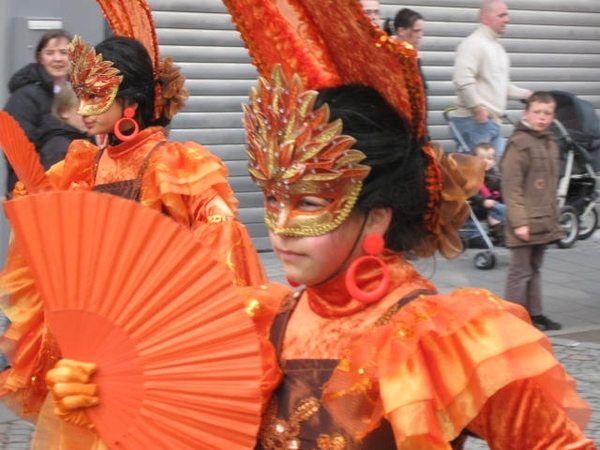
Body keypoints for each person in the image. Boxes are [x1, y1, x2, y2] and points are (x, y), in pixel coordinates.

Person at [47, 0, 594, 447]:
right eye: (273, 197)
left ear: (378, 213)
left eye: (310, 204)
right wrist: (112, 392)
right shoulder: (260, 323)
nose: (280, 226)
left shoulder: (445, 340)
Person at [0, 32, 267, 447]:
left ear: (131, 103)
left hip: (153, 349)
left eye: (98, 97)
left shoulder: (171, 165)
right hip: (95, 344)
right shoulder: (85, 164)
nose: (84, 110)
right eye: (81, 94)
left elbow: (219, 245)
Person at [500, 91, 564, 332]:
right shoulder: (519, 144)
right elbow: (511, 187)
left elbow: (549, 188)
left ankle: (535, 314)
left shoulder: (549, 143)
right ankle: (513, 318)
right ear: (526, 113)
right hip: (525, 221)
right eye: (537, 112)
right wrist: (519, 222)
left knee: (535, 269)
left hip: (544, 220)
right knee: (520, 271)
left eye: (547, 113)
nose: (542, 117)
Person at [450, 0, 531, 158]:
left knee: (496, 175)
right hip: (475, 122)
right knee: (478, 178)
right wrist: (477, 110)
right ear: (485, 18)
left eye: (506, 15)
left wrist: (527, 95)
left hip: (489, 123)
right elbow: (462, 79)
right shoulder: (473, 44)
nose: (507, 19)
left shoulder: (496, 47)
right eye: (501, 15)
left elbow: (500, 86)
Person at [3, 29, 72, 194]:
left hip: (73, 192)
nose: (58, 59)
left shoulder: (80, 95)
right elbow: (17, 150)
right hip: (34, 193)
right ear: (40, 57)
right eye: (50, 53)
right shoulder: (25, 96)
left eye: (64, 52)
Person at [36, 85, 93, 170]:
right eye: (82, 109)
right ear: (64, 112)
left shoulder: (78, 138)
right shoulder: (58, 148)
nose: (89, 115)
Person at [470, 141, 506, 244]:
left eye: (489, 159)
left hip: (494, 204)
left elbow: (501, 190)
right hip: (478, 206)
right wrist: (482, 201)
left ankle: (502, 234)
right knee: (495, 211)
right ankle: (501, 236)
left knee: (501, 208)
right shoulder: (472, 175)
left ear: (494, 161)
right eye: (481, 158)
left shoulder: (496, 175)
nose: (486, 161)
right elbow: (471, 192)